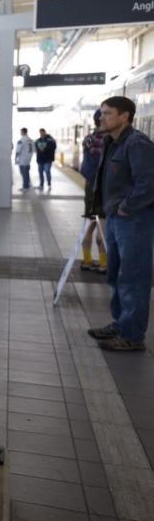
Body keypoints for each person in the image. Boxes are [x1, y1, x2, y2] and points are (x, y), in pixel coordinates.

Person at [87, 96, 154, 351]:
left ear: (124, 116)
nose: (101, 118)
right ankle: (121, 323)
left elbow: (148, 184)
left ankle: (132, 335)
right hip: (116, 218)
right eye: (101, 113)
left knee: (133, 276)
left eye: (107, 113)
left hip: (134, 219)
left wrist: (126, 208)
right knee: (116, 272)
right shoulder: (112, 142)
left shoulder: (137, 144)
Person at [80, 110, 107, 274]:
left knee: (88, 225)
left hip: (90, 187)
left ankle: (87, 260)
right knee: (102, 228)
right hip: (104, 188)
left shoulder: (88, 138)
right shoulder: (107, 140)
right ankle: (104, 264)